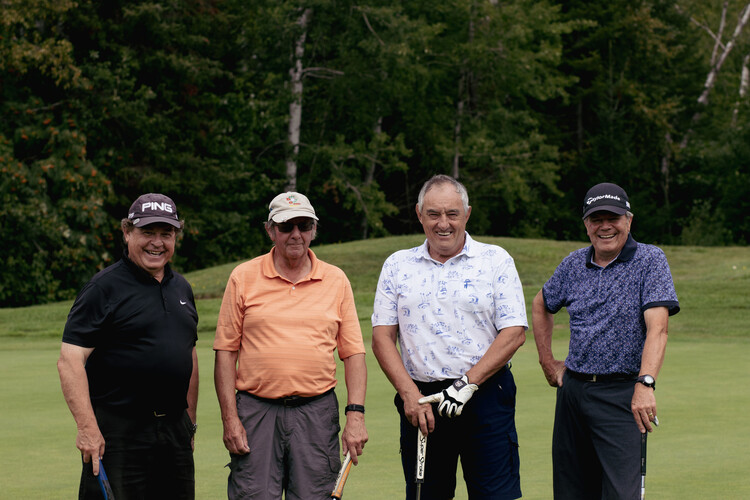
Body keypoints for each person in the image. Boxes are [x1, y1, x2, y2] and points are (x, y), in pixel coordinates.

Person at [372, 175, 528, 500]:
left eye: (452, 214)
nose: (443, 223)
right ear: (419, 214)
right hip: (422, 401)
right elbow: (382, 338)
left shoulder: (496, 260)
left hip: (485, 395)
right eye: (433, 214)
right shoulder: (397, 265)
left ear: (467, 214)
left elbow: (513, 332)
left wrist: (466, 384)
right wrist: (409, 395)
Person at [213, 191, 368, 499]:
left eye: (304, 225)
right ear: (271, 230)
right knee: (252, 494)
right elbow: (226, 352)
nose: (296, 234)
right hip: (256, 411)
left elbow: (353, 354)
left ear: (313, 229)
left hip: (316, 412)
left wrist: (356, 416)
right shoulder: (243, 277)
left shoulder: (336, 279)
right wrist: (230, 419)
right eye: (286, 226)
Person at [531, 182, 680, 499]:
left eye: (612, 217)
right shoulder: (573, 264)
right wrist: (547, 360)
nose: (605, 226)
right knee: (571, 491)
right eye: (596, 219)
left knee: (619, 493)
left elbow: (658, 328)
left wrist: (646, 383)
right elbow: (541, 304)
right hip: (573, 392)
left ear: (628, 220)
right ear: (586, 224)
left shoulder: (649, 261)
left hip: (622, 394)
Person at [58, 193, 199, 499]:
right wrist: (87, 428)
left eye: (166, 234)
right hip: (118, 433)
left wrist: (190, 423)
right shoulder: (103, 288)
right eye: (147, 232)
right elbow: (69, 360)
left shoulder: (182, 288)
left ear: (176, 237)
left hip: (174, 431)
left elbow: (189, 354)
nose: (157, 243)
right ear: (127, 232)